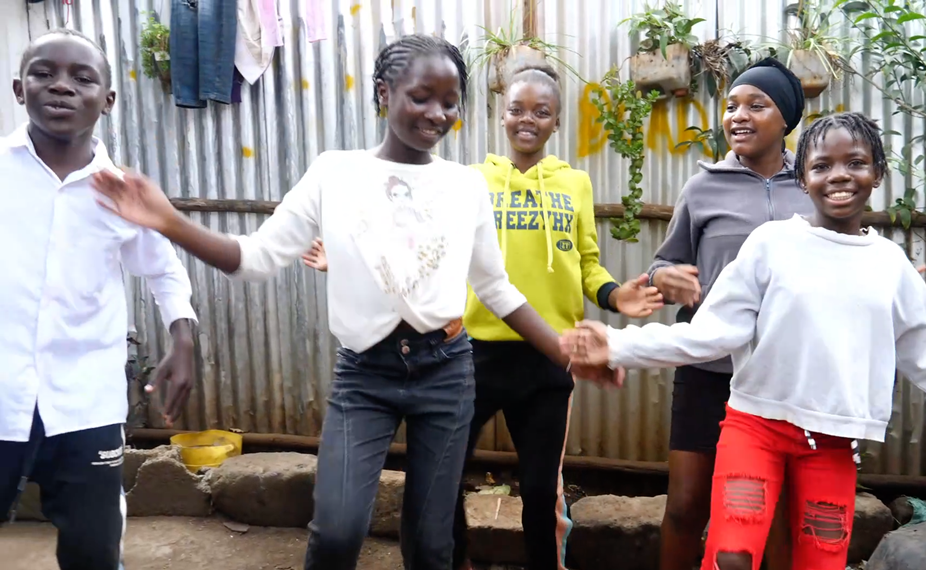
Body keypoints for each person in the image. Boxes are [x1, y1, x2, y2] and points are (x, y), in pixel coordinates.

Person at [90, 34, 618, 570]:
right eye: (421, 97)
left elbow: (497, 289)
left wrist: (566, 354)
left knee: (431, 543)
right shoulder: (335, 173)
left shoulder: (465, 186)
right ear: (384, 93)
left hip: (446, 372)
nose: (437, 114)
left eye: (450, 101)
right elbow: (254, 258)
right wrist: (170, 222)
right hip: (365, 375)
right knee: (338, 532)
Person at [561, 112, 926, 570]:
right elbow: (712, 333)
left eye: (856, 162)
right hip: (755, 430)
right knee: (731, 556)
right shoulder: (771, 244)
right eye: (822, 166)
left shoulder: (891, 266)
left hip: (832, 444)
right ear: (802, 178)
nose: (839, 175)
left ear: (877, 172)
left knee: (822, 560)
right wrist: (617, 345)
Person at [300, 63, 663, 570]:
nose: (527, 120)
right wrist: (347, 261)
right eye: (517, 109)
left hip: (547, 354)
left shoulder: (575, 184)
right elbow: (422, 252)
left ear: (557, 121)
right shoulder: (468, 181)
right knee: (442, 483)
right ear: (501, 116)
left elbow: (585, 262)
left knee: (541, 491)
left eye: (541, 111)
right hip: (471, 356)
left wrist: (613, 295)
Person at [646, 57, 926, 570]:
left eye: (755, 105)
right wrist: (663, 278)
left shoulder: (817, 180)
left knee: (781, 516)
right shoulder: (703, 187)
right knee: (686, 503)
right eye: (732, 106)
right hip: (708, 366)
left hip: (789, 377)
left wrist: (899, 295)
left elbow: (850, 261)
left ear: (786, 118)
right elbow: (664, 262)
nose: (738, 116)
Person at [0, 29, 198, 570]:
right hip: (3, 391)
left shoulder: (122, 192)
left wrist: (183, 338)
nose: (61, 86)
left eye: (82, 78)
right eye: (44, 73)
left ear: (107, 100)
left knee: (93, 550)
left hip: (86, 401)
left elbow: (164, 271)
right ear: (19, 89)